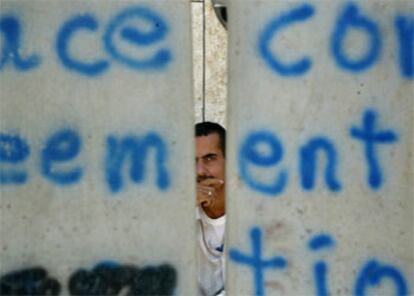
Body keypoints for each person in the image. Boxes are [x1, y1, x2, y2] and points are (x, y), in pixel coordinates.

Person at [195, 122, 226, 296]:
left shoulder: (254, 212)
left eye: (209, 158)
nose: (200, 171)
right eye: (193, 161)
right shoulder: (176, 217)